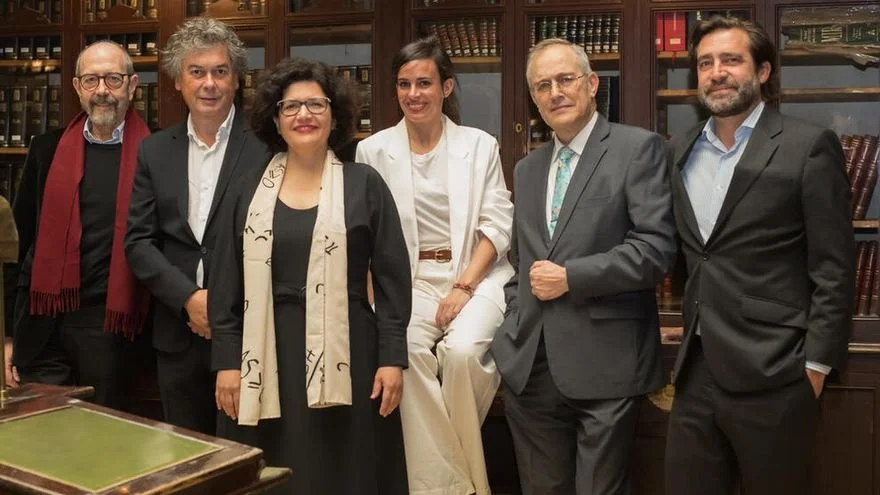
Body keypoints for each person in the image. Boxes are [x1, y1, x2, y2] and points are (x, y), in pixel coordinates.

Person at [664, 17, 855, 495]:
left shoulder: (807, 146)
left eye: (731, 60)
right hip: (695, 370)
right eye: (705, 63)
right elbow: (695, 254)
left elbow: (833, 268)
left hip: (777, 373)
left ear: (763, 71)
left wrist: (816, 368)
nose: (716, 72)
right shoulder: (679, 150)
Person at [208, 56, 411, 495]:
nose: (304, 115)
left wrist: (392, 358)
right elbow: (224, 282)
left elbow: (394, 280)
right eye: (291, 106)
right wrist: (226, 362)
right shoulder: (246, 189)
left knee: (344, 472)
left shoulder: (365, 184)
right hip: (264, 356)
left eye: (316, 105)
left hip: (351, 356)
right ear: (275, 119)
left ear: (334, 116)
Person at [491, 38, 676, 495]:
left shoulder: (638, 149)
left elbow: (655, 249)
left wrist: (571, 277)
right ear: (533, 99)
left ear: (592, 84)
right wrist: (513, 322)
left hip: (607, 363)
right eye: (543, 85)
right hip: (531, 367)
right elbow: (522, 263)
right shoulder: (527, 169)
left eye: (566, 79)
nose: (555, 92)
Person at [356, 36, 514, 495]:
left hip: (476, 276)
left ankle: (445, 482)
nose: (414, 94)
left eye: (424, 83)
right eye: (404, 84)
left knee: (462, 355)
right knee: (401, 353)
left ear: (446, 87)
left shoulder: (479, 145)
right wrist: (374, 293)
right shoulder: (373, 151)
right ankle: (461, 484)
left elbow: (497, 223)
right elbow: (366, 232)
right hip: (410, 283)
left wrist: (463, 287)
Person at [125, 17, 271, 434]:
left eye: (220, 71)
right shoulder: (154, 150)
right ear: (178, 81)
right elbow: (138, 242)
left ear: (236, 80)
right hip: (178, 334)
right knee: (186, 453)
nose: (209, 83)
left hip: (250, 332)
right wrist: (189, 298)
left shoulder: (267, 146)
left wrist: (220, 305)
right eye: (197, 72)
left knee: (248, 454)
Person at [3, 41, 150, 409]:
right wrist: (7, 336)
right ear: (76, 87)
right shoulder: (46, 149)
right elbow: (18, 244)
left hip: (110, 332)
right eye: (91, 80)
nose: (102, 90)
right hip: (39, 326)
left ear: (132, 86)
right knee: (43, 434)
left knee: (101, 437)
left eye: (113, 79)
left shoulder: (155, 152)